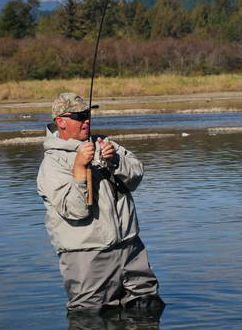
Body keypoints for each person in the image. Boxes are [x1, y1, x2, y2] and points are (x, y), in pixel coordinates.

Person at [37, 92, 164, 314]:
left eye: (88, 114)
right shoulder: (52, 164)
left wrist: (115, 160)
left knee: (148, 307)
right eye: (79, 116)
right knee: (90, 321)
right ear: (61, 122)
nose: (86, 120)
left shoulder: (104, 143)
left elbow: (136, 176)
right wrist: (79, 169)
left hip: (129, 247)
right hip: (87, 255)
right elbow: (75, 210)